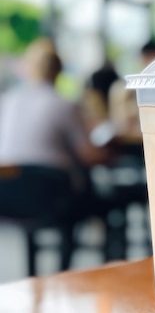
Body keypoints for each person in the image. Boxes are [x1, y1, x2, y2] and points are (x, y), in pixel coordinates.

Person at [0, 38, 107, 196]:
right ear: (60, 70)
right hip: (50, 193)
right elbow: (88, 156)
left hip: (6, 192)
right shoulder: (65, 105)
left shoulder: (7, 100)